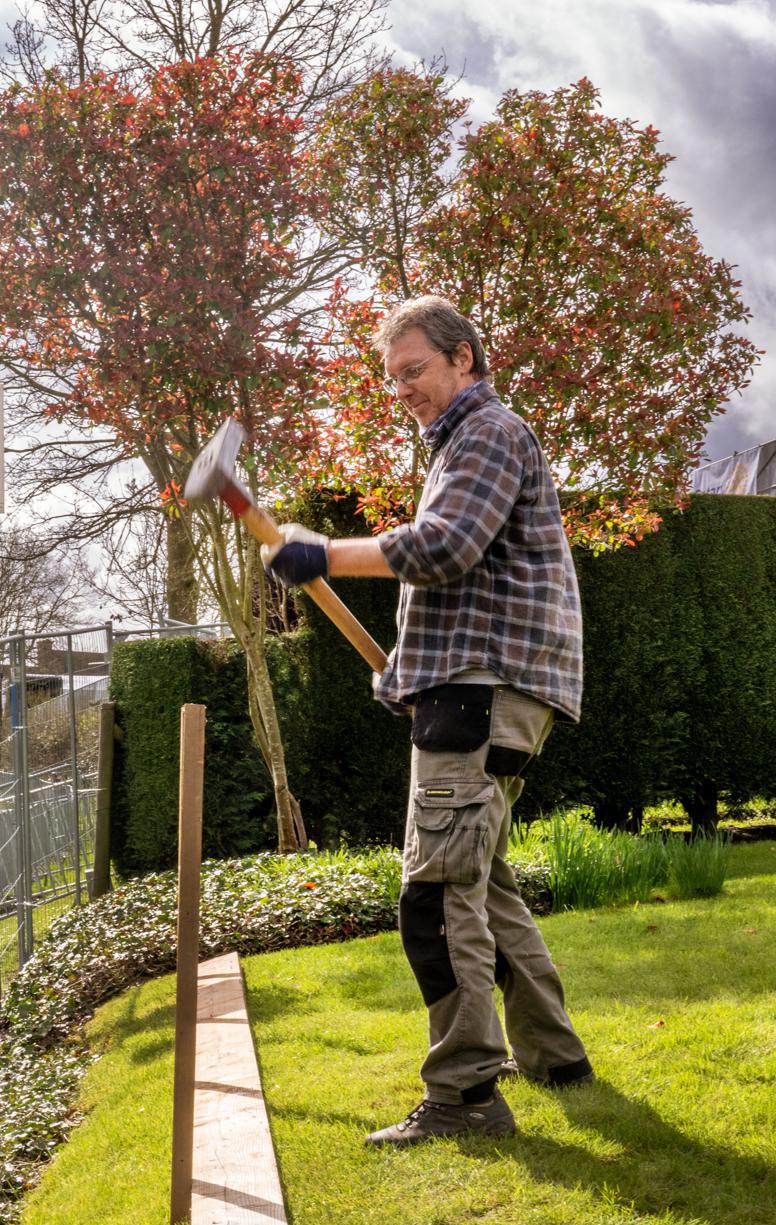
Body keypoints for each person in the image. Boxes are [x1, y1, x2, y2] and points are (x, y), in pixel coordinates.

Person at [266, 295, 591, 1146]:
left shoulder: (488, 432)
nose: (402, 389)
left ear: (464, 358)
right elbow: (460, 584)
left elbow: (445, 547)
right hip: (478, 690)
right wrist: (411, 677)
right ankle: (556, 1057)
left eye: (415, 370)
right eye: (392, 378)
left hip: (482, 694)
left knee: (433, 897)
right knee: (480, 881)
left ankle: (465, 1097)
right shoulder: (464, 443)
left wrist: (326, 553)